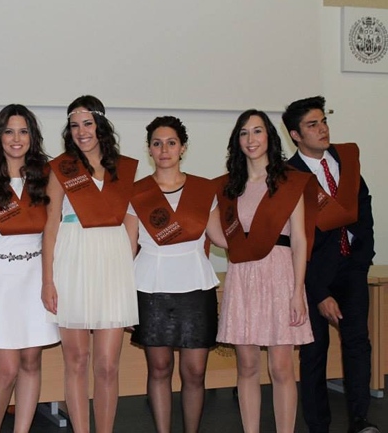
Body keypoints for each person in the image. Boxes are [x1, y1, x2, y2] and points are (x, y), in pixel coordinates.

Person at [41, 95, 138, 433]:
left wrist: (126, 269)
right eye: (74, 126)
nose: (81, 131)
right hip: (73, 261)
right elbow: (50, 226)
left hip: (112, 264)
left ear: (101, 126)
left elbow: (131, 224)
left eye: (87, 124)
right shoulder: (62, 169)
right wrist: (48, 280)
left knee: (108, 364)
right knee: (77, 360)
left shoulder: (122, 170)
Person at [215, 109, 317, 433]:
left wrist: (297, 291)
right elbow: (221, 236)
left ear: (270, 136)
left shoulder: (289, 182)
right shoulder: (230, 187)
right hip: (244, 277)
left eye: (257, 131)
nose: (251, 139)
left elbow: (299, 238)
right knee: (247, 366)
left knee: (281, 366)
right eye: (244, 133)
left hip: (280, 275)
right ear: (237, 140)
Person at [0, 104, 60, 433]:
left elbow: (54, 231)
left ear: (33, 137)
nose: (16, 139)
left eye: (23, 131)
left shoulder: (46, 177)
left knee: (31, 361)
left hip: (35, 278)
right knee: (6, 368)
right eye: (9, 131)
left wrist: (51, 281)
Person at [125, 116, 226, 433]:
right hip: (151, 288)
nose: (164, 149)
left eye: (171, 143)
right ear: (149, 149)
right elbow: (127, 250)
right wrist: (123, 300)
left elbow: (221, 238)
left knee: (195, 371)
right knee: (159, 368)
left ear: (183, 148)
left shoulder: (204, 190)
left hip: (195, 286)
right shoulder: (137, 193)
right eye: (157, 143)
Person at [283, 96, 377, 433]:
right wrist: (319, 291)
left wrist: (362, 261)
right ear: (295, 135)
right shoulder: (288, 176)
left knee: (358, 344)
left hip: (352, 267)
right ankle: (318, 425)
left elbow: (364, 211)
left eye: (323, 121)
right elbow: (291, 239)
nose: (322, 129)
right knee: (314, 352)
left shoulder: (346, 160)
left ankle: (360, 420)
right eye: (313, 125)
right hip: (312, 276)